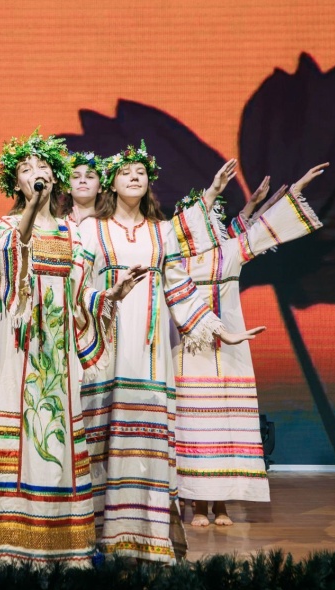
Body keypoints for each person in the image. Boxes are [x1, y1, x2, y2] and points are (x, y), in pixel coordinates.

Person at [79, 141, 265, 563]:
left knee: (146, 436)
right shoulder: (91, 229)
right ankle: (99, 537)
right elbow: (78, 283)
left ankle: (147, 537)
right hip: (106, 343)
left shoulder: (161, 232)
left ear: (149, 183)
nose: (134, 178)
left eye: (141, 173)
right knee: (102, 433)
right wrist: (106, 296)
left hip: (150, 351)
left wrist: (222, 332)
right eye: (125, 172)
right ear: (111, 181)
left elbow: (180, 287)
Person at [0, 131, 147, 567]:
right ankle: (6, 544)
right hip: (21, 348)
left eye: (42, 167)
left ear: (55, 176)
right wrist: (31, 207)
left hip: (58, 351)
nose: (35, 173)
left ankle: (62, 540)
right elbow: (12, 274)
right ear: (17, 183)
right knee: (19, 430)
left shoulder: (73, 232)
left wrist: (111, 296)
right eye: (25, 169)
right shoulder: (6, 226)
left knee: (58, 432)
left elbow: (80, 294)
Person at [174, 164, 327, 527]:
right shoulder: (173, 260)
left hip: (229, 348)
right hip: (188, 349)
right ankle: (197, 503)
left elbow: (261, 230)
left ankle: (222, 504)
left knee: (227, 421)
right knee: (194, 424)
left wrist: (295, 189)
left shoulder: (229, 251)